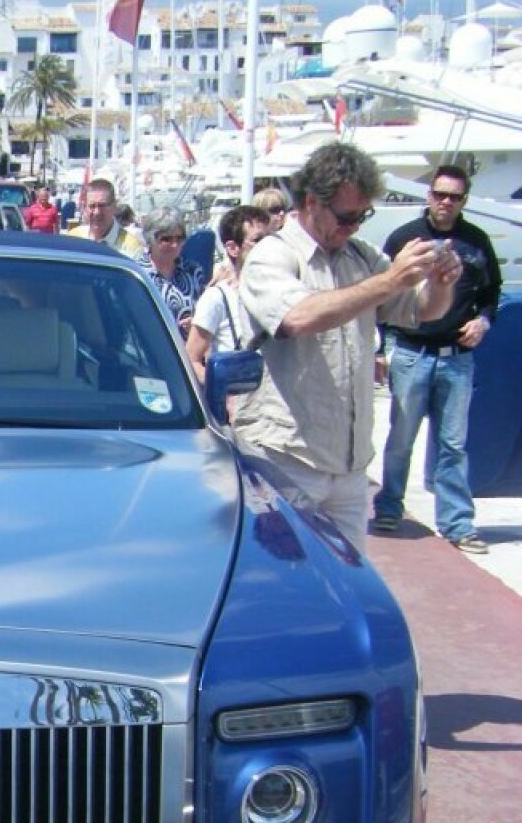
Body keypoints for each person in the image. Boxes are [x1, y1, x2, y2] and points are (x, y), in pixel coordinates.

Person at [236, 140, 460, 555]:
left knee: (348, 584)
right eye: (345, 216)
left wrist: (441, 284)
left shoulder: (360, 256)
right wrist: (390, 280)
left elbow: (418, 311)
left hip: (348, 463)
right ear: (310, 202)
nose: (353, 226)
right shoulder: (274, 255)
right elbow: (297, 317)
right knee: (286, 578)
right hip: (285, 457)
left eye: (362, 216)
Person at [372, 164, 502, 552]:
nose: (446, 202)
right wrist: (379, 349)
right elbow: (382, 295)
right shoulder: (405, 239)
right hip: (412, 352)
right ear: (429, 196)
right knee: (401, 438)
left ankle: (458, 524)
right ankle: (390, 508)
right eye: (440, 194)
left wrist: (483, 321)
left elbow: (491, 293)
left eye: (455, 197)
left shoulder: (477, 242)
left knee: (453, 444)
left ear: (464, 201)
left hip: (457, 357)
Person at [186, 204, 271, 378]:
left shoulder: (281, 291)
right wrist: (223, 395)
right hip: (243, 401)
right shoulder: (217, 298)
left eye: (271, 240)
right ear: (233, 248)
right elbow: (191, 359)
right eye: (257, 241)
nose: (268, 248)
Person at [143, 209, 205, 340]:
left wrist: (196, 323)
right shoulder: (137, 274)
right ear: (150, 240)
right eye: (166, 239)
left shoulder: (193, 271)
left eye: (180, 238)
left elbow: (204, 314)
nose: (175, 245)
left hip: (186, 352)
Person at [65, 177, 145, 258]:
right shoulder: (73, 239)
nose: (97, 212)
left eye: (102, 206)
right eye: (92, 206)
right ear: (84, 207)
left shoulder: (132, 249)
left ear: (114, 206)